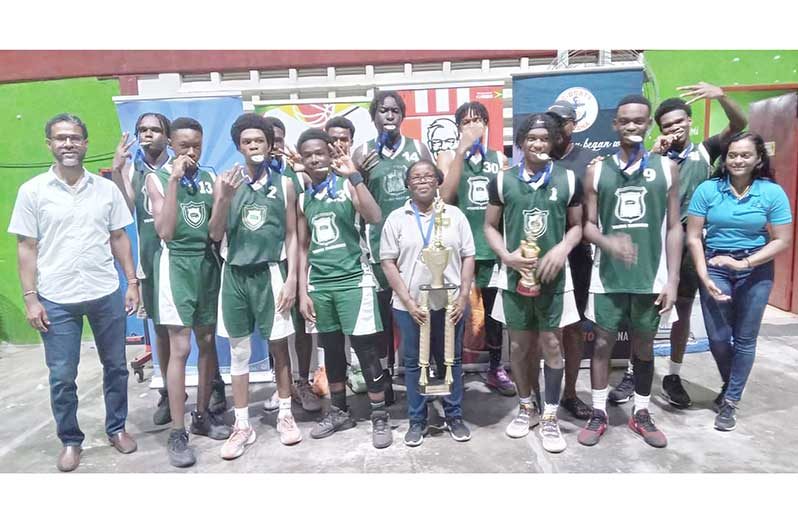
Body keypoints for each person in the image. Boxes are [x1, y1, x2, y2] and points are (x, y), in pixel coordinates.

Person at [8, 113, 139, 472]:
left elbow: (119, 238)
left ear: (85, 143)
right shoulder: (33, 191)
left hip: (104, 292)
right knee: (62, 375)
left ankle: (117, 428)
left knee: (116, 367)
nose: (68, 144)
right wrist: (30, 297)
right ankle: (70, 439)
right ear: (49, 144)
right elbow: (26, 246)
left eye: (75, 138)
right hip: (56, 297)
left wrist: (131, 282)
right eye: (61, 138)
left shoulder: (106, 189)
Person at [608, 83, 747, 409]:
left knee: (682, 311)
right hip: (655, 243)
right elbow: (628, 191)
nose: (674, 128)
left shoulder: (706, 150)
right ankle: (632, 371)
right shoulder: (650, 159)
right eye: (667, 125)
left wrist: (722, 96)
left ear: (689, 121)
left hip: (691, 243)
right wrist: (653, 154)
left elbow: (739, 125)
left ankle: (673, 375)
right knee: (642, 313)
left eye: (679, 122)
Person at [578, 95, 681, 449]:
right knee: (603, 345)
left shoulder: (667, 168)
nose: (632, 126)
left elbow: (674, 228)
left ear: (649, 124)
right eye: (625, 121)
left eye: (639, 120)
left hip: (651, 277)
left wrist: (673, 278)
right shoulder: (596, 170)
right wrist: (609, 244)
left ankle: (641, 412)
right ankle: (599, 412)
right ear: (615, 125)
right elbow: (587, 226)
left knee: (645, 347)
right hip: (607, 277)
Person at [484, 113, 583, 453]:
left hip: (553, 280)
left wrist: (562, 248)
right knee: (520, 347)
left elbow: (577, 226)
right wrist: (506, 256)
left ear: (553, 142)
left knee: (552, 345)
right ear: (521, 143)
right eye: (531, 139)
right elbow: (489, 227)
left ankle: (551, 415)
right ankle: (527, 407)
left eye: (544, 138)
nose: (538, 144)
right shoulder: (502, 180)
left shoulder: (568, 179)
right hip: (514, 279)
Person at [210, 114, 302, 459]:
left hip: (270, 273)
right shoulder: (225, 182)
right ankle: (242, 425)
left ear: (269, 144)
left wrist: (292, 278)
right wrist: (223, 198)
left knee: (280, 348)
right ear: (239, 146)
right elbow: (215, 233)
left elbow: (293, 235)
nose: (253, 146)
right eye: (247, 142)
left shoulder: (285, 185)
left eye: (259, 141)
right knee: (239, 353)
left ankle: (286, 415)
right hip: (234, 275)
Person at [686, 131, 792, 431]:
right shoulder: (709, 189)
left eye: (745, 155)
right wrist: (703, 273)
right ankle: (731, 384)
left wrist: (744, 262)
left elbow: (783, 240)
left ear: (759, 159)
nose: (738, 160)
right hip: (715, 266)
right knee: (718, 339)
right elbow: (694, 237)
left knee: (745, 340)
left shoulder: (771, 193)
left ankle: (730, 401)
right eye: (732, 154)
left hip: (755, 270)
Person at [296, 128, 393, 449]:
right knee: (332, 351)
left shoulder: (347, 185)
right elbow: (303, 247)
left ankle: (379, 414)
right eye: (308, 154)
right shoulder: (302, 197)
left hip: (354, 279)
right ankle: (339, 410)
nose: (314, 158)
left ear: (329, 154)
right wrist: (302, 291)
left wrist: (355, 177)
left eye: (319, 153)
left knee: (366, 350)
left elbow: (375, 215)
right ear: (302, 159)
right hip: (320, 285)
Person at [146, 117, 231, 467]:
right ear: (170, 144)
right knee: (180, 347)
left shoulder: (211, 178)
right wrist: (177, 179)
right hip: (176, 266)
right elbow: (164, 231)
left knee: (208, 342)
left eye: (196, 145)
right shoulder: (157, 178)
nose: (191, 152)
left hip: (206, 265)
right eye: (184, 146)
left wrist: (224, 199)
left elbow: (214, 232)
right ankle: (177, 431)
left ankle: (201, 415)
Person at [381, 160, 475, 447]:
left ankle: (454, 416)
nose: (422, 181)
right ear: (408, 184)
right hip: (411, 306)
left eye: (428, 176)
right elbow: (387, 261)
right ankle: (417, 420)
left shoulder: (455, 215)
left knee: (451, 360)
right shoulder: (397, 218)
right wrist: (408, 303)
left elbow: (469, 256)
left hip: (450, 303)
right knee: (413, 363)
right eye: (416, 177)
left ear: (438, 181)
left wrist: (462, 297)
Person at [353, 90, 434, 403]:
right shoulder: (362, 152)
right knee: (381, 323)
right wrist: (358, 172)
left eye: (395, 111)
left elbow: (431, 192)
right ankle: (383, 379)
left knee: (418, 313)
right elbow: (354, 197)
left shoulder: (418, 148)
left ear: (402, 116)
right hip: (376, 249)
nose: (389, 115)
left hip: (414, 248)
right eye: (383, 111)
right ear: (374, 116)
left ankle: (423, 376)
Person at [436, 101, 515, 397]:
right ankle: (451, 370)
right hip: (460, 253)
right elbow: (444, 196)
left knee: (494, 317)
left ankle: (495, 368)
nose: (472, 125)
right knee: (456, 315)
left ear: (487, 125)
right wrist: (460, 150)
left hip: (493, 251)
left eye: (478, 120)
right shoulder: (447, 156)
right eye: (466, 121)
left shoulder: (500, 159)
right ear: (458, 127)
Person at [261, 116, 323, 413]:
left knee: (300, 324)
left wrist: (302, 167)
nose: (274, 144)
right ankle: (280, 383)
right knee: (274, 327)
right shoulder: (253, 175)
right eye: (268, 138)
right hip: (268, 261)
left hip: (296, 258)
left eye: (278, 138)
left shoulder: (297, 174)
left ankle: (302, 381)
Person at [545, 99, 599, 421]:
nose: (555, 126)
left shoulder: (589, 162)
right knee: (544, 329)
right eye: (550, 119)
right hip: (538, 254)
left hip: (576, 253)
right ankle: (543, 393)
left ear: (573, 124)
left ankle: (569, 393)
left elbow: (591, 216)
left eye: (561, 120)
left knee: (574, 328)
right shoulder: (537, 156)